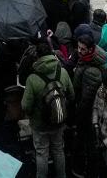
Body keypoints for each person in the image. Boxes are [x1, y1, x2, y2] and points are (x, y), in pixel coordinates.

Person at [22, 43, 73, 178]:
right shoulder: (63, 72)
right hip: (59, 120)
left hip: (40, 124)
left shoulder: (32, 79)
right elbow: (72, 95)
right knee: (58, 149)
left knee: (41, 152)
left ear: (37, 57)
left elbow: (25, 106)